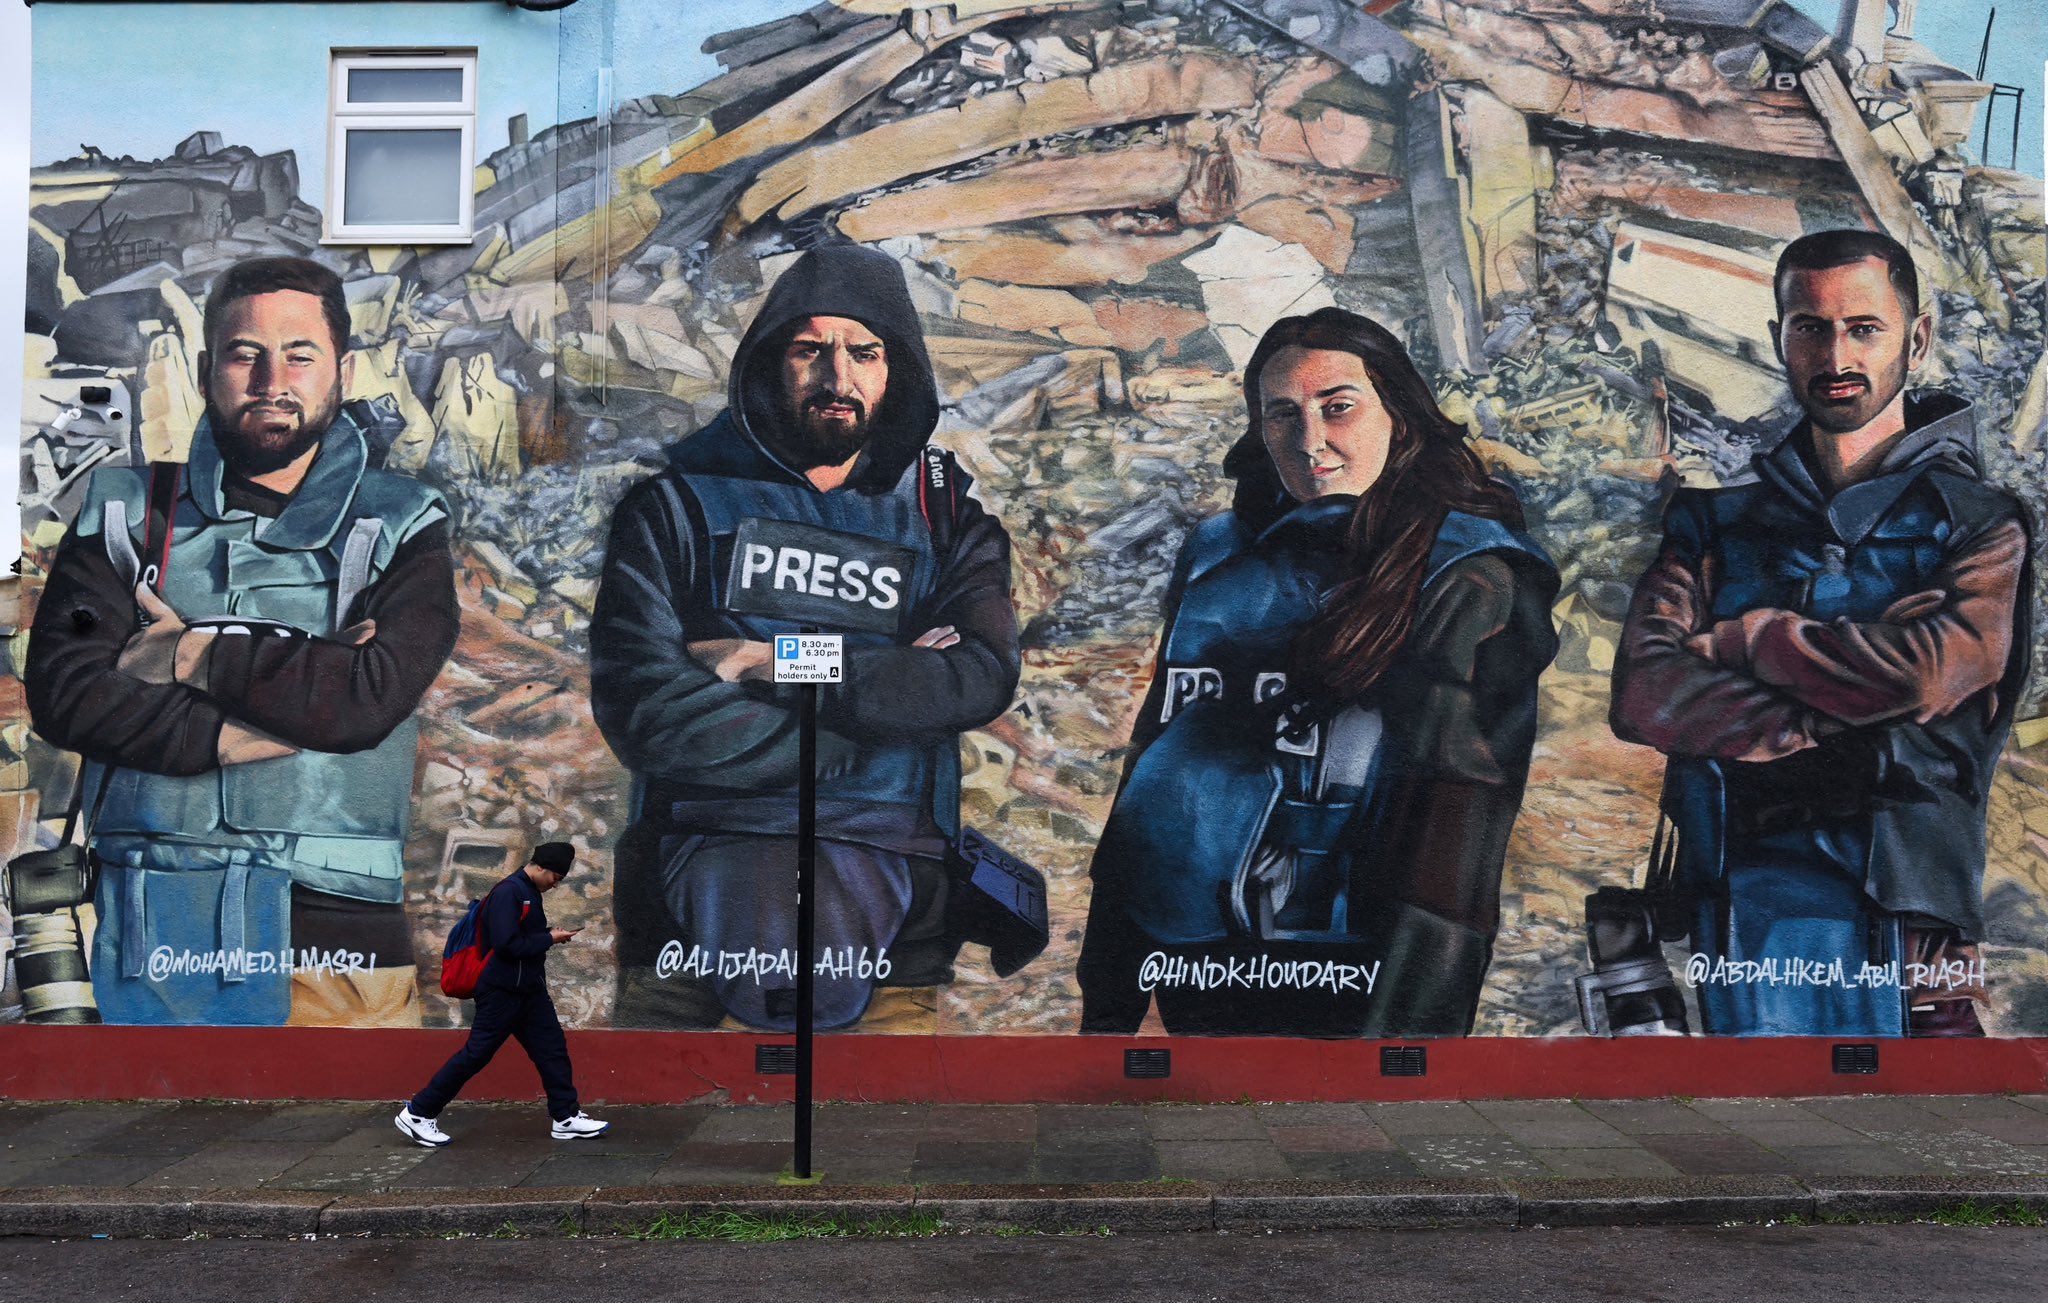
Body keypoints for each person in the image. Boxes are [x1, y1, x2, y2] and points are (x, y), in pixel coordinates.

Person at [1078, 307, 1559, 1037]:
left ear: (1399, 412)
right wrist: (1109, 985)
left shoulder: (1471, 574)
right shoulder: (1217, 555)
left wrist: (1404, 1039)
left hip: (1355, 974)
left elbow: (1454, 840)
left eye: (1338, 407)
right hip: (1198, 962)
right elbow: (1154, 768)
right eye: (1282, 415)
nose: (1310, 441)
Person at [1610, 229, 2033, 1037]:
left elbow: (1926, 671)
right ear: (1779, 339)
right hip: (1742, 894)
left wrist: (1744, 642)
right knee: (1755, 1129)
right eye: (1810, 326)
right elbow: (1643, 691)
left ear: (1918, 338)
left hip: (1909, 906)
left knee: (1922, 1145)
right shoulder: (1714, 521)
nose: (1836, 354)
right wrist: (1828, 713)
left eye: (1863, 327)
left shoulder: (1981, 525)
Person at [590, 244, 1020, 1032]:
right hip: (687, 919)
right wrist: (876, 728)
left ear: (898, 372)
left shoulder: (947, 519)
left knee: (878, 1143)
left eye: (864, 352)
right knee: (660, 1138)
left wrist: (773, 660)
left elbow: (977, 676)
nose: (838, 376)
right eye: (809, 349)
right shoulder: (674, 509)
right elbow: (649, 709)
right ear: (769, 363)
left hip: (901, 917)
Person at [24, 255, 459, 1027]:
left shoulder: (404, 523)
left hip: (339, 941)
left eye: (300, 354)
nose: (271, 381)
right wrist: (230, 731)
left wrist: (187, 654)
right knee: (144, 1141)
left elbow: (366, 699)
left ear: (344, 370)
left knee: (346, 1144)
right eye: (244, 353)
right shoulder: (125, 513)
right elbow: (68, 693)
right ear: (204, 370)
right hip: (149, 927)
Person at [396, 842, 607, 1145]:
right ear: (541, 867)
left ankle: (566, 1118)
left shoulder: (528, 892)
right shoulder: (510, 892)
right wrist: (548, 937)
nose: (556, 883)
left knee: (552, 1050)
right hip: (502, 991)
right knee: (476, 1054)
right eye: (556, 876)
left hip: (528, 991)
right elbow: (507, 944)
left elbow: (519, 938)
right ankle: (418, 1113)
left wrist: (547, 936)